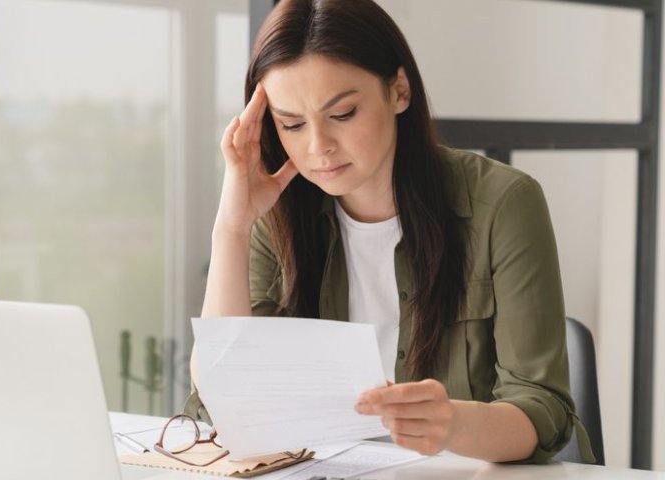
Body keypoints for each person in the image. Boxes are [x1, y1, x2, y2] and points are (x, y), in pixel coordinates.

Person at [183, 0, 594, 464]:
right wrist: (231, 228)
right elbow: (223, 391)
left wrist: (452, 424)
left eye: (343, 114)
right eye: (292, 124)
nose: (318, 147)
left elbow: (543, 411)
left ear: (399, 91)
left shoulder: (502, 203)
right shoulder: (279, 213)